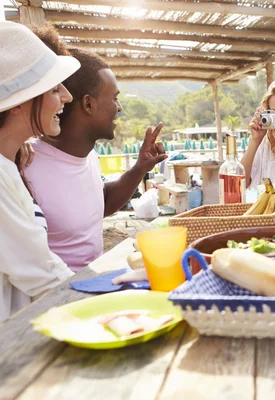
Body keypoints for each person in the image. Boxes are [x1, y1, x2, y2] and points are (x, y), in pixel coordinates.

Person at [22, 27, 167, 272]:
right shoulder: (26, 165)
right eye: (114, 98)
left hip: (92, 286)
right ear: (88, 103)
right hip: (55, 300)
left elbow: (102, 201)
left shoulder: (88, 155)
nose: (119, 108)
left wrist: (140, 168)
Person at [0, 22, 79, 320]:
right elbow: (39, 272)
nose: (67, 97)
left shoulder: (9, 164)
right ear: (19, 102)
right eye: (55, 88)